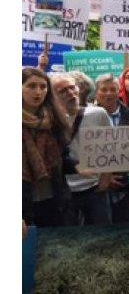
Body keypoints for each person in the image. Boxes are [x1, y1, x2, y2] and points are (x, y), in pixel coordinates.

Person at [52, 73, 113, 226]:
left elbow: (111, 146)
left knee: (102, 234)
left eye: (72, 88)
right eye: (62, 91)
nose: (70, 93)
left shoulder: (98, 113)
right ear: (52, 96)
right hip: (64, 191)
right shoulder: (49, 121)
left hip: (94, 188)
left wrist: (105, 178)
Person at [22, 68, 75, 228]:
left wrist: (79, 166)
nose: (38, 92)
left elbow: (62, 158)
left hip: (55, 198)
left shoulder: (55, 120)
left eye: (43, 86)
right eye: (31, 86)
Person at [94, 74, 129, 224]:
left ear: (119, 91)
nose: (108, 93)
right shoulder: (85, 117)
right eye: (104, 89)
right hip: (95, 188)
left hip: (125, 186)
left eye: (112, 89)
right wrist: (104, 177)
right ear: (96, 93)